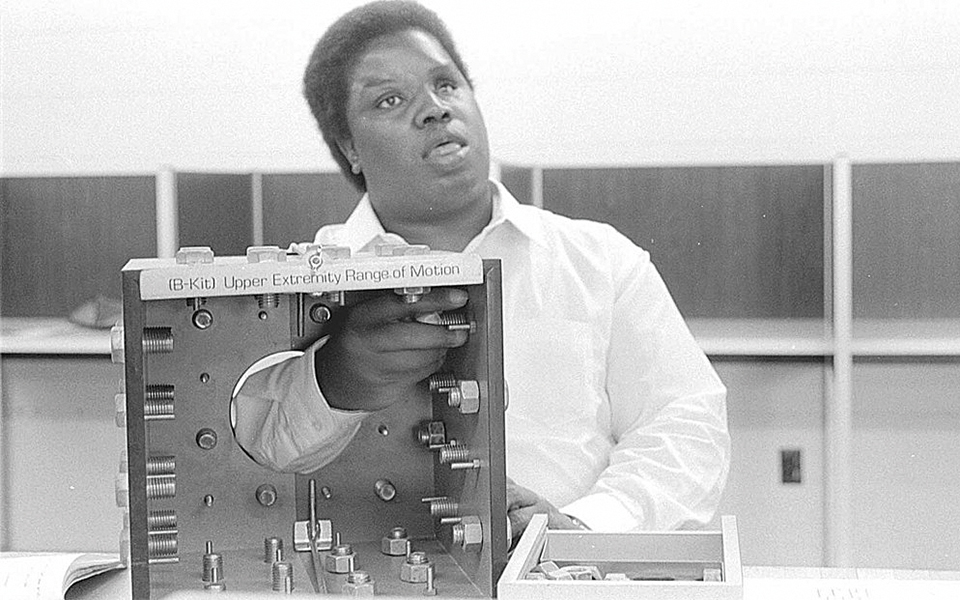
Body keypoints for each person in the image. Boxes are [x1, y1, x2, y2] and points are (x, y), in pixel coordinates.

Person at [233, 0, 730, 539]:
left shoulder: (599, 261)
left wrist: (583, 527)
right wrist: (333, 380)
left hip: (571, 570)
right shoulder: (300, 288)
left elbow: (686, 424)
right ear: (350, 148)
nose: (434, 109)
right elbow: (253, 451)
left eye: (446, 84)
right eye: (390, 99)